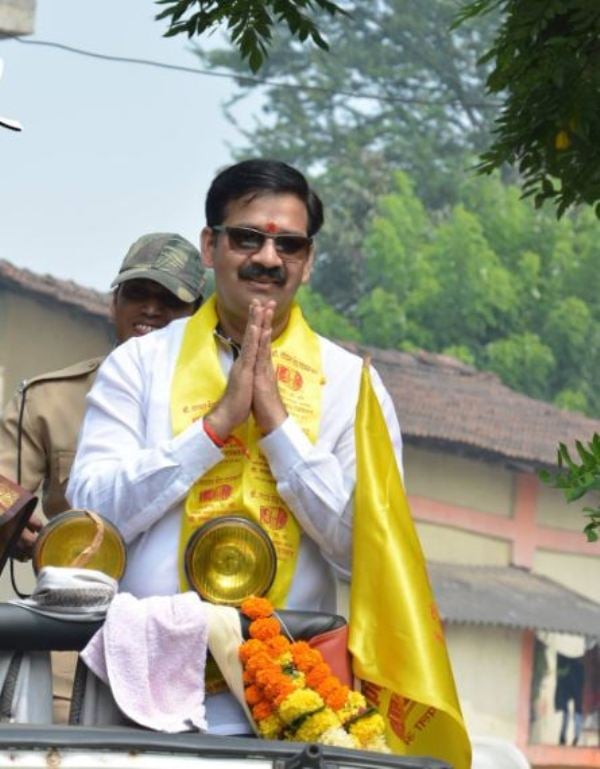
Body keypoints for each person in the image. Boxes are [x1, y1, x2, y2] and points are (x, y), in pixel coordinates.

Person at [67, 159, 403, 735]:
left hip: (296, 701)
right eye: (247, 237)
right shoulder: (141, 364)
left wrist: (278, 430)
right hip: (141, 698)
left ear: (309, 259)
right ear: (209, 245)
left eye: (288, 245)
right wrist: (212, 431)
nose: (268, 259)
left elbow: (368, 552)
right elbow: (92, 520)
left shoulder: (353, 386)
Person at [0, 232, 205, 560]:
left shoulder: (227, 404)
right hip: (80, 587)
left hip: (188, 593)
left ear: (198, 314)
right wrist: (11, 520)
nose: (151, 309)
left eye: (170, 299)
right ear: (115, 303)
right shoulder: (51, 400)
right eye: (137, 294)